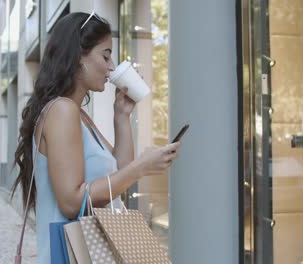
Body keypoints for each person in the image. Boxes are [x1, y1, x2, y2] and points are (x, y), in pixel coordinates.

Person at [11, 12, 181, 264]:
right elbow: (71, 202)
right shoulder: (62, 111)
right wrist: (140, 167)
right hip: (72, 255)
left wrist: (121, 117)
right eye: (105, 55)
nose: (112, 66)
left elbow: (118, 177)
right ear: (78, 56)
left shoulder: (78, 114)